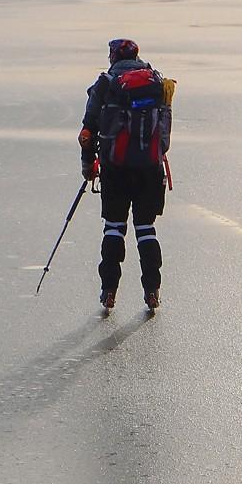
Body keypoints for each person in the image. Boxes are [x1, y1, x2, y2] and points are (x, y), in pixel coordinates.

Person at [78, 38, 174, 312]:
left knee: (114, 228)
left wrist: (88, 165)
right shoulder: (157, 82)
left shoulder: (106, 84)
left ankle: (109, 291)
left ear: (113, 56)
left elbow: (87, 133)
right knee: (146, 230)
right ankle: (152, 291)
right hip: (150, 167)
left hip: (115, 168)